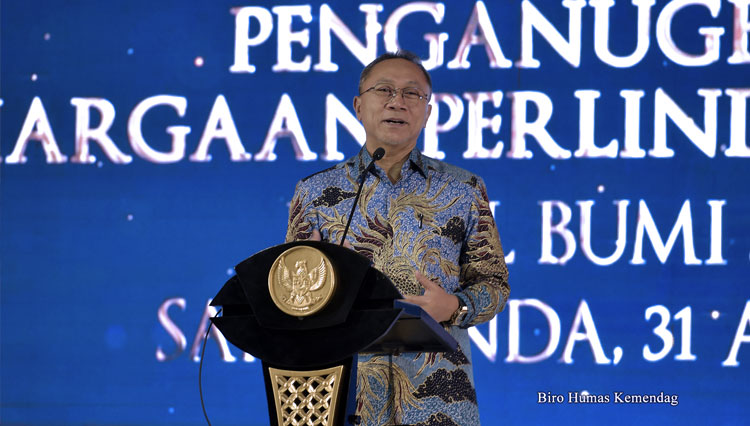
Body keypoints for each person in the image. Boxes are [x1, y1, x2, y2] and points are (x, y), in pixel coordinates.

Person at [285, 50, 509, 426]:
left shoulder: (464, 189)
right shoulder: (314, 193)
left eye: (412, 93)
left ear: (428, 111)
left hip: (437, 395)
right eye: (384, 89)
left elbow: (495, 284)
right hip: (342, 392)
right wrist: (322, 287)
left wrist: (454, 307)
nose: (397, 101)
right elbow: (288, 296)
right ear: (358, 105)